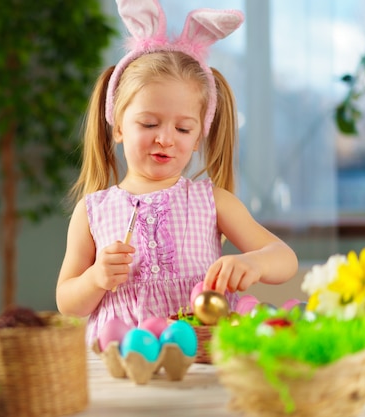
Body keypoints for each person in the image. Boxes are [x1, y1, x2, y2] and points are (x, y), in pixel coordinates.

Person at [55, 1, 299, 344]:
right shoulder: (92, 211)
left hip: (203, 361)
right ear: (118, 126)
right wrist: (96, 278)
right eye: (149, 123)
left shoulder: (212, 201)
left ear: (199, 137)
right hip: (123, 366)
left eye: (183, 129)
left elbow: (285, 258)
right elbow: (67, 302)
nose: (165, 138)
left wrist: (255, 264)